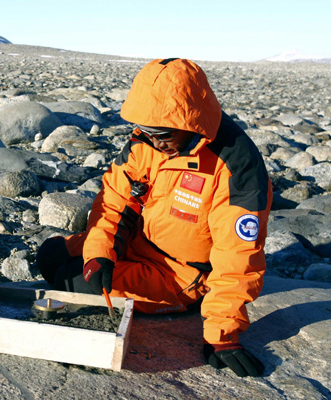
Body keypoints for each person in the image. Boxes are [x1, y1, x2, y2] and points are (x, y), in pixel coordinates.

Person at [36, 58, 272, 377]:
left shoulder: (236, 166)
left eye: (162, 135)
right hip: (140, 241)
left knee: (75, 282)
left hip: (179, 274)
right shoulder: (146, 140)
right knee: (53, 256)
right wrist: (99, 254)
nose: (154, 142)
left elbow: (238, 256)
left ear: (192, 123)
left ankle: (184, 304)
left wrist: (223, 335)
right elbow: (116, 199)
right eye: (147, 132)